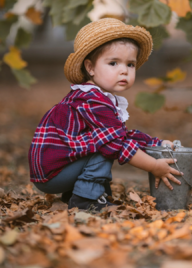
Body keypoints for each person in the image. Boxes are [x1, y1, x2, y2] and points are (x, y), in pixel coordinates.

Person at [28, 18, 182, 211]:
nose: (124, 71)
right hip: (53, 174)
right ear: (90, 68)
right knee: (105, 147)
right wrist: (153, 166)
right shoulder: (93, 100)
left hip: (57, 169)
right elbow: (117, 144)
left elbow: (123, 135)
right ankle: (86, 199)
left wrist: (155, 144)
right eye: (113, 63)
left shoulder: (96, 96)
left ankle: (79, 193)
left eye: (130, 65)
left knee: (107, 141)